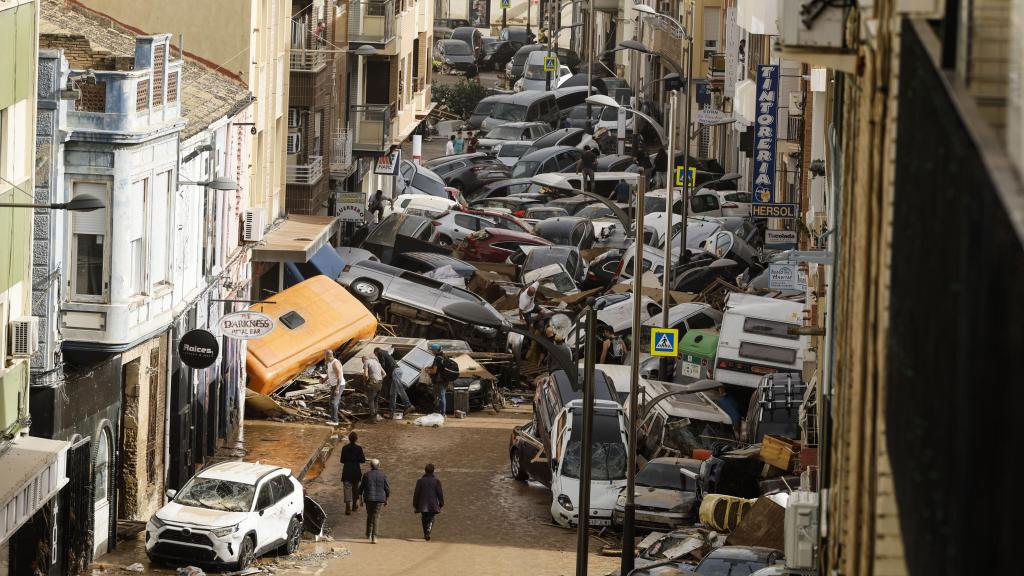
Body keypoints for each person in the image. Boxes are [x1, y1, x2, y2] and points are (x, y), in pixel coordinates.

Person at [375, 347, 415, 418]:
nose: (376, 356)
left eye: (375, 354)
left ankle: (409, 405)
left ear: (376, 352)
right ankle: (391, 413)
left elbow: (382, 365)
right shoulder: (386, 353)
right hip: (396, 371)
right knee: (392, 393)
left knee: (400, 389)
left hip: (395, 372)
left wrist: (378, 371)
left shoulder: (380, 353)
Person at [360, 459, 390, 543]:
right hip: (379, 500)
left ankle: (368, 534)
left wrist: (361, 500)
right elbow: (387, 490)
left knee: (369, 515)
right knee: (376, 516)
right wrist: (386, 500)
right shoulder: (383, 475)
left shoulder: (366, 475)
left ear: (370, 466)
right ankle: (374, 537)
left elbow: (361, 489)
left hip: (368, 499)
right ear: (379, 465)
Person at [413, 463, 444, 541]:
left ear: (425, 471)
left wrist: (415, 505)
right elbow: (440, 493)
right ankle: (428, 531)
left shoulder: (420, 481)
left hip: (422, 504)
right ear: (433, 471)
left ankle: (425, 533)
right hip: (433, 504)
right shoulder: (436, 481)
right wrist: (441, 503)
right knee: (431, 518)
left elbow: (416, 494)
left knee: (424, 518)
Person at [340, 432, 366, 515]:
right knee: (355, 490)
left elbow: (342, 460)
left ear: (349, 438)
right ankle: (354, 506)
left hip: (347, 471)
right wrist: (356, 459)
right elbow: (362, 460)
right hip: (356, 472)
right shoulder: (359, 448)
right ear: (356, 439)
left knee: (347, 489)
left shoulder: (344, 448)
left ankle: (347, 507)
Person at [425, 343, 454, 415]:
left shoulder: (437, 358)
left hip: (439, 380)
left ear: (435, 350)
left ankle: (442, 414)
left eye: (432, 350)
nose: (431, 351)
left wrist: (428, 371)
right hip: (446, 379)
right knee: (441, 395)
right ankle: (441, 412)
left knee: (440, 396)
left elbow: (434, 371)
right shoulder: (444, 356)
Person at [324, 350, 345, 425]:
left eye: (325, 355)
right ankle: (333, 418)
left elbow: (340, 376)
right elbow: (329, 374)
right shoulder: (329, 363)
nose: (324, 357)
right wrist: (323, 380)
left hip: (338, 385)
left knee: (333, 402)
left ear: (329, 355)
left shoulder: (335, 363)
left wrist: (337, 388)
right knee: (332, 402)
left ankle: (335, 421)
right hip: (333, 385)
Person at [362, 354, 385, 421]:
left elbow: (365, 375)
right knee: (376, 401)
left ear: (364, 359)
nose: (363, 363)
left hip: (373, 383)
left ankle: (372, 418)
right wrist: (378, 380)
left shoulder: (366, 362)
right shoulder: (377, 363)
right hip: (380, 383)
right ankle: (375, 417)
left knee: (371, 400)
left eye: (362, 362)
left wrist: (366, 382)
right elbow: (384, 374)